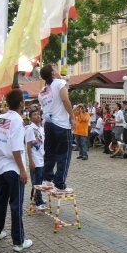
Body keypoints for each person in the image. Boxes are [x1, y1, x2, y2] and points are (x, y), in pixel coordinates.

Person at [0, 89, 32, 252]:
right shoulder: (17, 120)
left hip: (0, 167)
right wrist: (22, 170)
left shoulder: (1, 117)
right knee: (16, 205)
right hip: (13, 169)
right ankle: (19, 241)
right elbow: (15, 148)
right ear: (21, 103)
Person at [38, 64, 75, 194]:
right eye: (55, 68)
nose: (58, 70)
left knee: (50, 152)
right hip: (61, 124)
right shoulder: (60, 82)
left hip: (48, 124)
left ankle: (47, 179)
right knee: (64, 155)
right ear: (53, 73)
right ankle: (60, 184)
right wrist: (72, 117)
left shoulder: (43, 90)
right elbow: (65, 100)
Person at [25, 108, 47, 210]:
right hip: (35, 159)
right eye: (34, 114)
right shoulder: (30, 129)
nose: (37, 116)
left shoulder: (41, 128)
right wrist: (31, 161)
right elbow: (28, 146)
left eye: (38, 114)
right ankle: (38, 202)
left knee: (40, 180)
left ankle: (34, 197)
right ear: (30, 118)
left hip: (41, 157)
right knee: (37, 182)